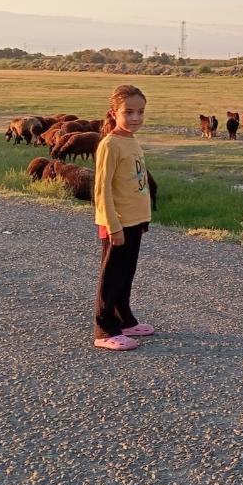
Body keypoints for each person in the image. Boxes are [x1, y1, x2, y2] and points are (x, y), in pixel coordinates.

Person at [91, 84, 156, 350]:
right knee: (112, 275)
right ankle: (104, 329)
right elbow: (102, 188)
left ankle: (124, 320)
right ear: (113, 113)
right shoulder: (110, 144)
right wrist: (112, 225)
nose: (135, 118)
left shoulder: (130, 139)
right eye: (128, 112)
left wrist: (143, 219)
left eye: (140, 112)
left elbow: (134, 184)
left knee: (126, 272)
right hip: (116, 222)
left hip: (133, 221)